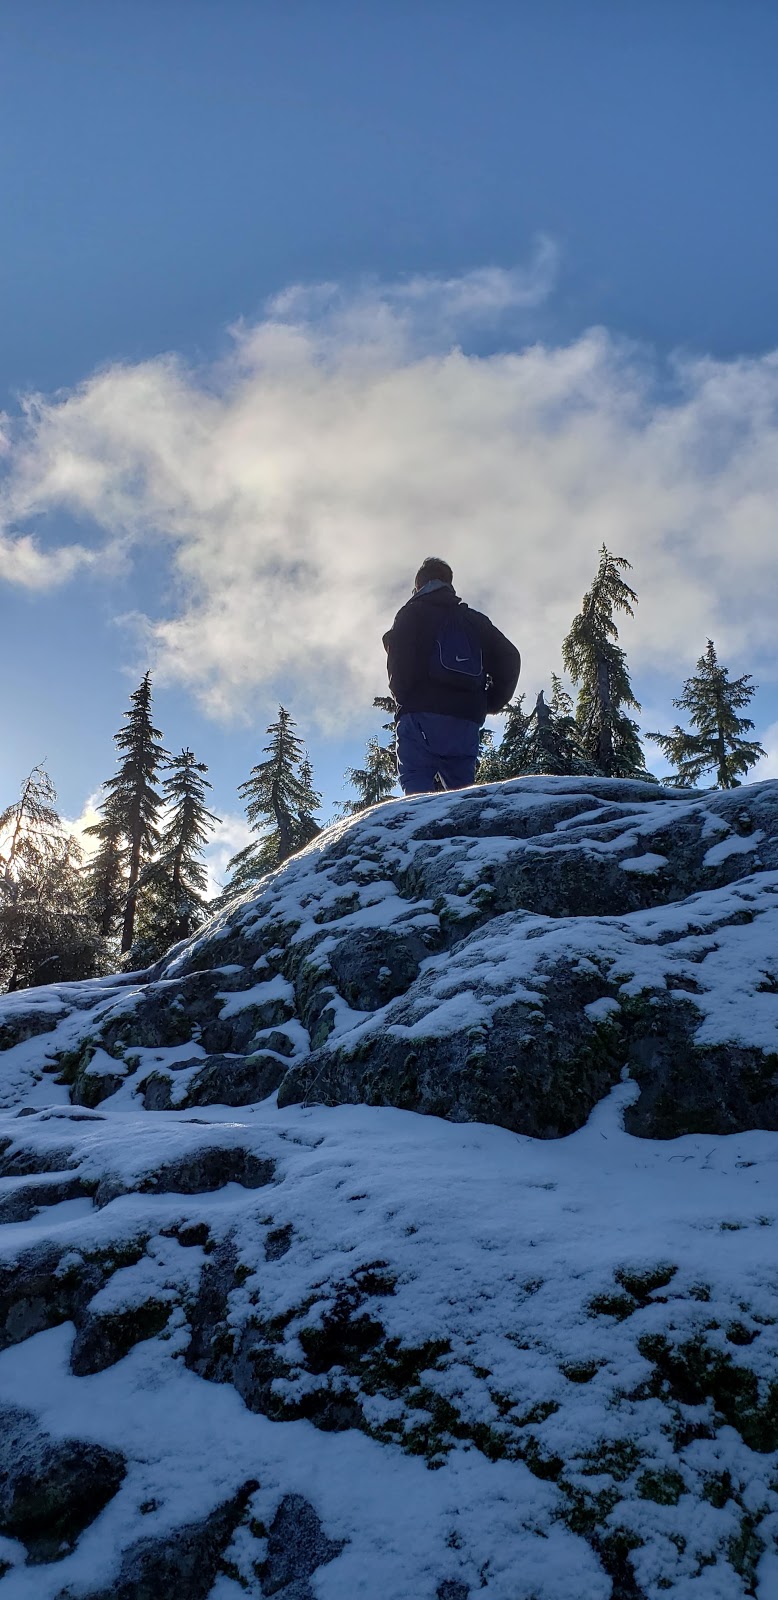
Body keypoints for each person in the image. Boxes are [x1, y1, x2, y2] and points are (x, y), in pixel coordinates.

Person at [383, 557, 521, 795]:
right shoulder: (474, 620)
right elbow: (510, 657)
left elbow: (400, 664)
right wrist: (490, 703)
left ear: (418, 585)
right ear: (449, 583)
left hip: (421, 715)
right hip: (465, 721)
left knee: (416, 788)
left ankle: (419, 831)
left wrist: (404, 698)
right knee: (463, 794)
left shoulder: (411, 614)